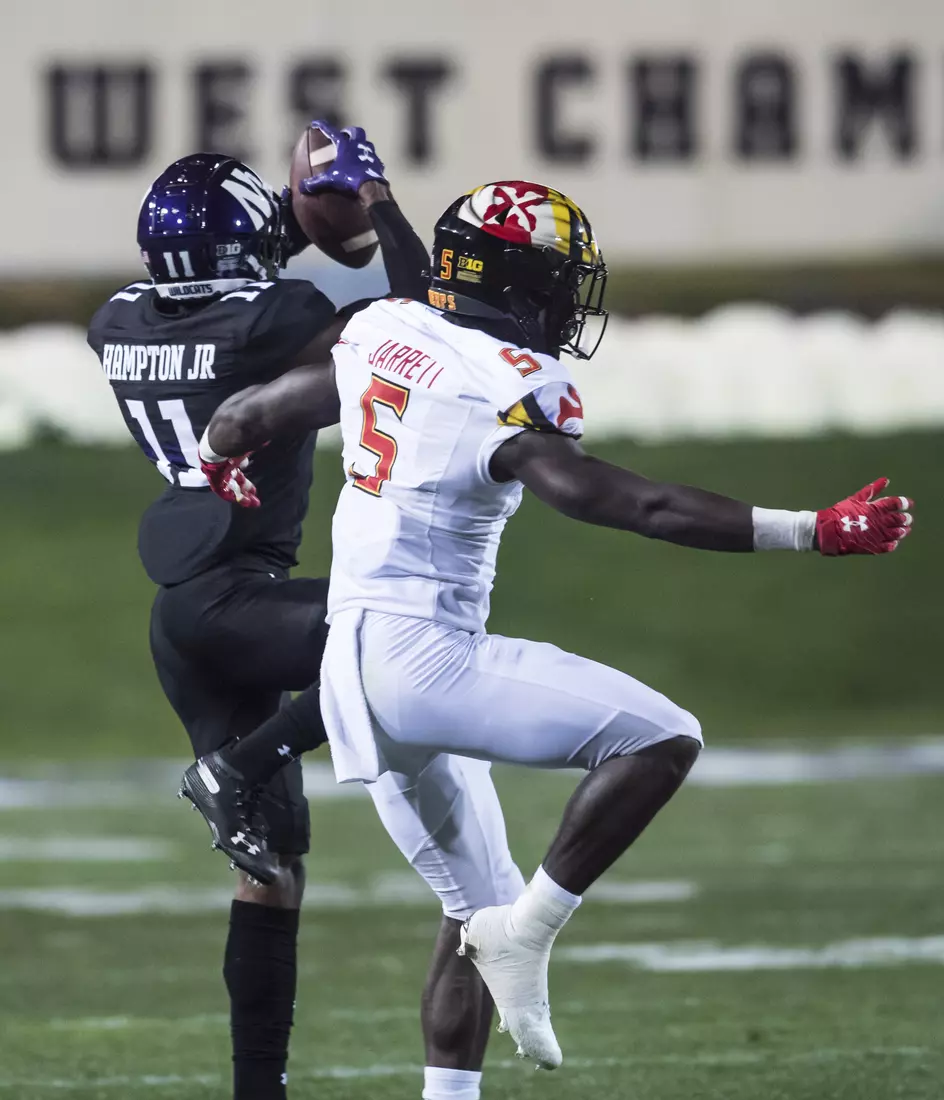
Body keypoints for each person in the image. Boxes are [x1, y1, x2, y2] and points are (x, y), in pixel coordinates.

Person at [194, 180, 915, 1097]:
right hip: (428, 657)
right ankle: (531, 931)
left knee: (472, 909)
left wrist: (220, 458)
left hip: (348, 668)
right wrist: (810, 528)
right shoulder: (509, 380)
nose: (570, 300)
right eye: (558, 278)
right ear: (514, 280)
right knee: (661, 736)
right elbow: (622, 501)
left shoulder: (386, 330)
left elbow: (248, 416)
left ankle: (478, 1016)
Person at [85, 123, 428, 1100]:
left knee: (270, 871)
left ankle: (255, 1090)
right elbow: (420, 328)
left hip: (182, 617)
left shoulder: (113, 321)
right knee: (399, 630)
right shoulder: (281, 312)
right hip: (242, 593)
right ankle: (239, 765)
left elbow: (222, 293)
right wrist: (369, 204)